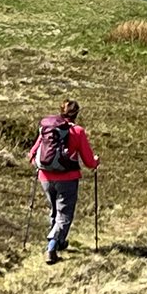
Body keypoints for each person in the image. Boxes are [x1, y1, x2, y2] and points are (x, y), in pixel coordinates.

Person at [27, 98, 99, 264]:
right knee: (64, 214)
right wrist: (96, 162)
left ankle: (59, 242)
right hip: (68, 178)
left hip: (45, 176)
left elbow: (32, 153)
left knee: (54, 210)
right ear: (76, 114)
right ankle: (52, 246)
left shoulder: (48, 130)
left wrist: (41, 166)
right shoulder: (78, 131)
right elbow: (88, 161)